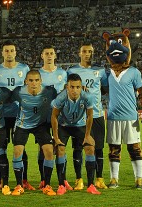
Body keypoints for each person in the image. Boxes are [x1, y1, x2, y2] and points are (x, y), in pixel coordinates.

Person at [102, 29, 142, 189]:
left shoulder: (134, 72)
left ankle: (139, 179)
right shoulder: (107, 73)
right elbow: (100, 90)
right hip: (113, 117)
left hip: (131, 117)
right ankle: (114, 179)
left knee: (135, 149)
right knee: (113, 150)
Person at [0, 40, 34, 192]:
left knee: (20, 148)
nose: (9, 53)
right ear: (2, 53)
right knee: (0, 148)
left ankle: (24, 180)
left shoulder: (24, 68)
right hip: (1, 115)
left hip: (19, 115)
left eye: (12, 50)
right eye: (6, 51)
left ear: (16, 52)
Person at [67, 42, 108, 190]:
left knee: (98, 149)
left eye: (90, 51)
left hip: (96, 115)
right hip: (78, 117)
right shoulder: (72, 71)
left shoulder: (101, 71)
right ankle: (79, 179)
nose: (87, 54)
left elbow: (104, 89)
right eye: (84, 51)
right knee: (78, 148)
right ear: (79, 53)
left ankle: (99, 179)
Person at [51, 73, 101, 195]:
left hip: (80, 125)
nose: (75, 90)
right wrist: (56, 138)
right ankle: (61, 185)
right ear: (67, 87)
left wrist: (87, 135)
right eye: (72, 87)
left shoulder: (87, 97)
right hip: (64, 126)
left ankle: (90, 185)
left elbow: (90, 116)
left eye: (77, 87)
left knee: (90, 148)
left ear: (81, 87)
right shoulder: (61, 98)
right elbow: (54, 116)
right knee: (60, 149)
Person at [10, 70, 57, 196]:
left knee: (49, 151)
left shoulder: (50, 92)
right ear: (26, 81)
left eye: (36, 80)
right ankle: (19, 185)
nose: (34, 83)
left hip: (40, 125)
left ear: (41, 81)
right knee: (17, 151)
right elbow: (5, 98)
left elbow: (62, 98)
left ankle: (47, 185)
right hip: (22, 124)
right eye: (31, 80)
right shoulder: (18, 91)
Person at [38, 45, 69, 190]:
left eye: (51, 53)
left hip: (60, 115)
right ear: (42, 56)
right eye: (46, 53)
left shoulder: (63, 73)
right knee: (43, 148)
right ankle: (43, 179)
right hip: (43, 115)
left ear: (55, 55)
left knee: (61, 146)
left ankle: (63, 179)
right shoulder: (37, 74)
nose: (49, 56)